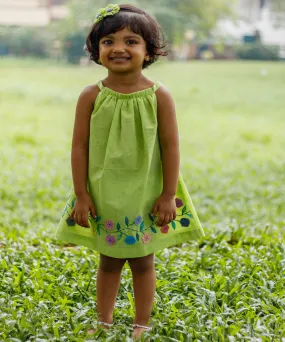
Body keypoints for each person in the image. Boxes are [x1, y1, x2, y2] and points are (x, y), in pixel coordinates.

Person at [55, 3, 205, 340]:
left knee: (143, 261)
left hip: (146, 192)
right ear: (96, 50)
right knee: (108, 260)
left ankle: (143, 323)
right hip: (104, 190)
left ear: (150, 50)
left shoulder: (159, 96)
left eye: (131, 41)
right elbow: (79, 147)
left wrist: (168, 195)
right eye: (108, 41)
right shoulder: (91, 95)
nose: (119, 48)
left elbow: (171, 147)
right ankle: (104, 320)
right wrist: (81, 194)